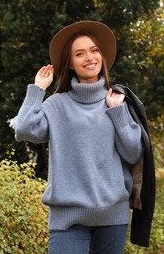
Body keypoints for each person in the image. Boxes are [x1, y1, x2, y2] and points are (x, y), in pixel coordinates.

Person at [12, 21, 144, 253]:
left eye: (94, 50)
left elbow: (133, 151)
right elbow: (23, 129)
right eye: (79, 53)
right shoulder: (57, 105)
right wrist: (38, 89)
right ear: (71, 63)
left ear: (101, 56)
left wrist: (117, 112)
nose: (89, 57)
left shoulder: (116, 102)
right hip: (68, 219)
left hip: (112, 217)